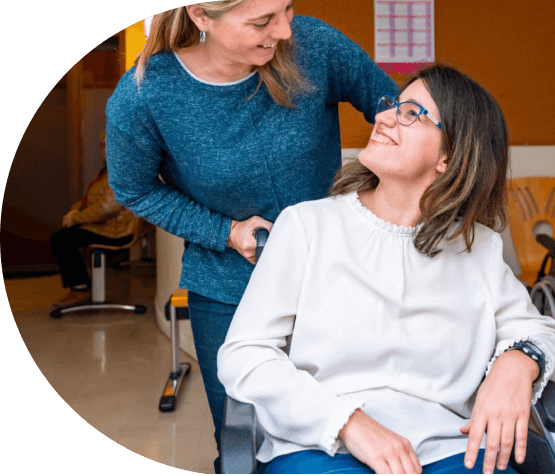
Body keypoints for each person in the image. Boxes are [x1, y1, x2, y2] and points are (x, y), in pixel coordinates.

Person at [218, 64, 555, 475]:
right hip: (324, 447)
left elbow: (543, 335)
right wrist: (346, 422)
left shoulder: (478, 248)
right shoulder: (307, 226)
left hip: (452, 451)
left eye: (411, 113)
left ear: (449, 157)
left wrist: (517, 362)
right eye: (392, 106)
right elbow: (244, 354)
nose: (382, 117)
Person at [104, 1, 398, 472]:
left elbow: (395, 110)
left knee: (351, 430)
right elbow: (134, 189)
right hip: (227, 290)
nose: (284, 30)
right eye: (262, 21)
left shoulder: (314, 45)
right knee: (244, 443)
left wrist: (389, 196)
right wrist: (225, 232)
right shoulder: (145, 95)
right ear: (201, 17)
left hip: (338, 278)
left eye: (287, 9)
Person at [50, 133, 137, 309]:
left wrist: (75, 219)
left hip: (116, 231)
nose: (106, 150)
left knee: (62, 239)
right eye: (103, 146)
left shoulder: (124, 171)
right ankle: (81, 286)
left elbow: (107, 209)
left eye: (110, 145)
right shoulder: (107, 171)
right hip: (105, 226)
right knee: (62, 237)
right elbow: (87, 198)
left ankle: (80, 288)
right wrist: (75, 209)